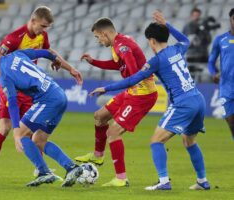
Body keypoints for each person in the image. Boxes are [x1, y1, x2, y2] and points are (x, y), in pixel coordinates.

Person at [90, 11, 210, 190]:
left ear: (152, 41)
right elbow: (185, 39)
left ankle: (163, 182)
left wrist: (105, 88)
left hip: (182, 103)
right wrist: (167, 24)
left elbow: (132, 80)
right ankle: (202, 181)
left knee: (156, 141)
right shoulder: (177, 49)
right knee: (189, 141)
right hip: (198, 99)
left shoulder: (156, 61)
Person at [0, 6, 83, 183]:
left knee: (22, 134)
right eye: (42, 26)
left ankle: (43, 171)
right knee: (34, 136)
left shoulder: (10, 70)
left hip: (38, 94)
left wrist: (16, 132)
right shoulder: (14, 43)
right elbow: (43, 54)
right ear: (33, 21)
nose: (44, 30)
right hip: (51, 91)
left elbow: (45, 51)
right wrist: (55, 61)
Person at [75, 17, 158, 187]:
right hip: (132, 91)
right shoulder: (118, 43)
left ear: (105, 33)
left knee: (113, 133)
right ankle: (98, 156)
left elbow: (135, 76)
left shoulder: (122, 46)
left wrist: (106, 88)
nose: (98, 41)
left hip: (142, 95)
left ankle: (121, 178)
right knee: (99, 116)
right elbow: (118, 66)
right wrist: (94, 62)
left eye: (98, 37)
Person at [208, 8, 234, 140]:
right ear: (230, 20)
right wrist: (214, 74)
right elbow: (211, 61)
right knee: (230, 121)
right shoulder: (221, 39)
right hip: (226, 87)